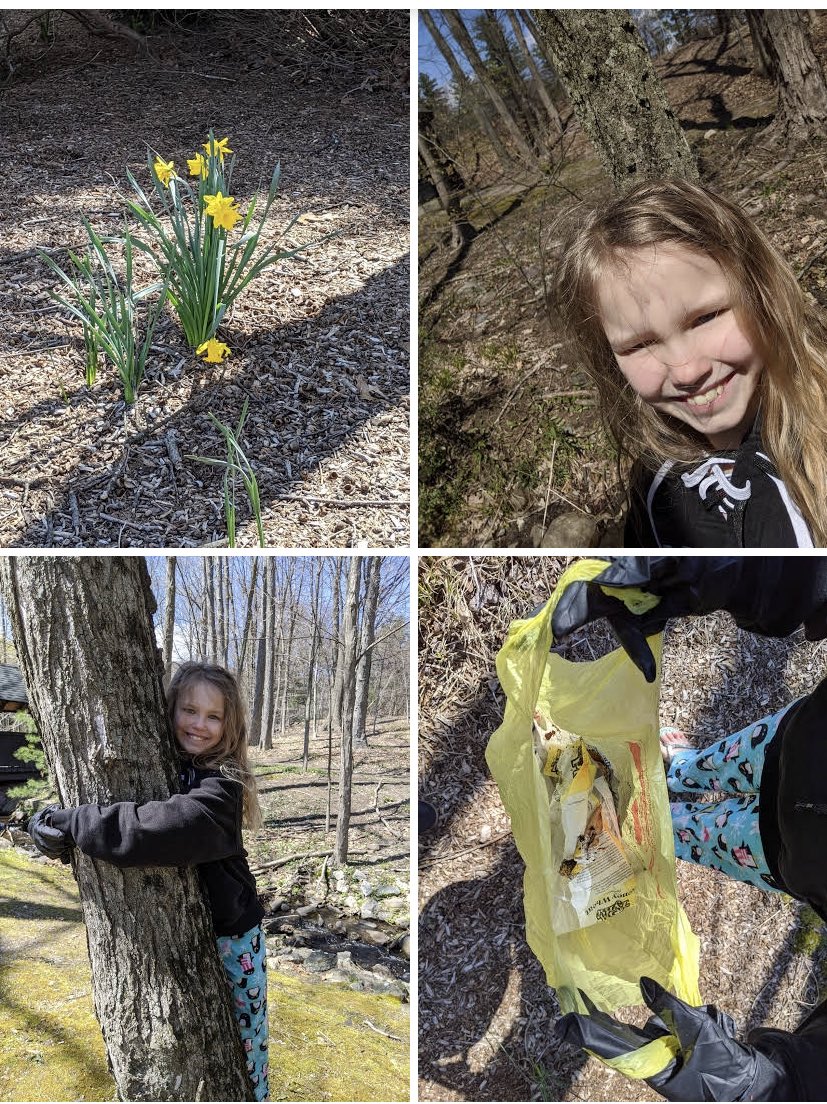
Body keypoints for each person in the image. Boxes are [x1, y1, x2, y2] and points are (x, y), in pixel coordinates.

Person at [549, 557, 827, 1100]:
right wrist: (714, 568)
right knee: (704, 764)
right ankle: (677, 770)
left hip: (776, 853)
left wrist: (772, 1087)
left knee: (672, 833)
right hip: (790, 745)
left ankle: (640, 826)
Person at [27, 662, 269, 1102]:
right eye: (189, 710)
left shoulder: (222, 789)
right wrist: (42, 823)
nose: (199, 724)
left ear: (230, 726)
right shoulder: (170, 763)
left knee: (246, 1046)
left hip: (235, 938)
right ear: (169, 708)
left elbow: (155, 829)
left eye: (214, 717)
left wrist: (74, 820)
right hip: (209, 934)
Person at [555, 177, 827, 547]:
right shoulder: (656, 492)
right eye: (640, 345)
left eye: (706, 318)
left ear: (764, 292)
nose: (687, 370)